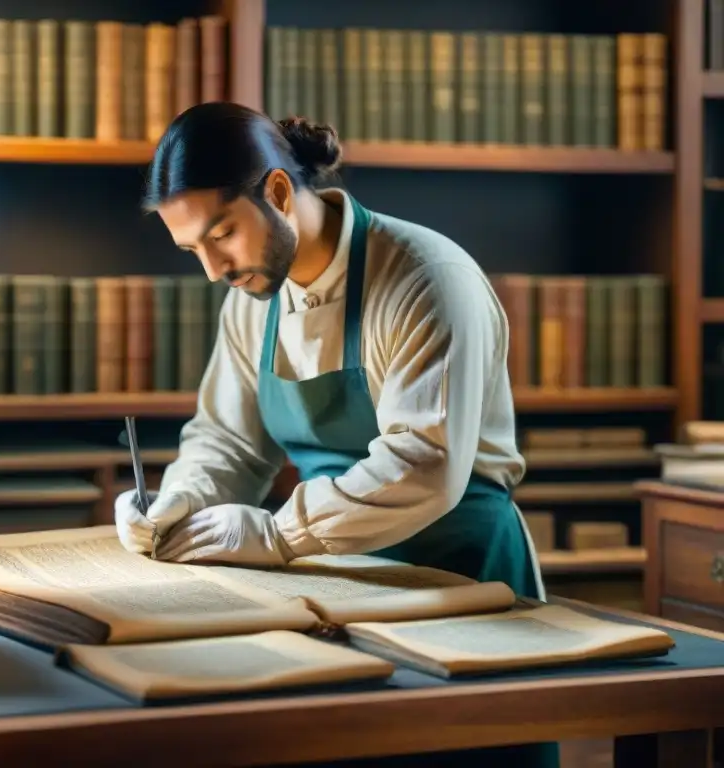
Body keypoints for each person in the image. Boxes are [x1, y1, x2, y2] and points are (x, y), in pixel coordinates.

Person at [115, 102, 557, 767]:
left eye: (222, 235)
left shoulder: (424, 278)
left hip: (461, 578)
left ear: (279, 192)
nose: (213, 270)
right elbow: (228, 443)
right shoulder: (251, 302)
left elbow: (424, 466)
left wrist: (275, 535)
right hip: (339, 583)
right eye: (193, 251)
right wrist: (182, 499)